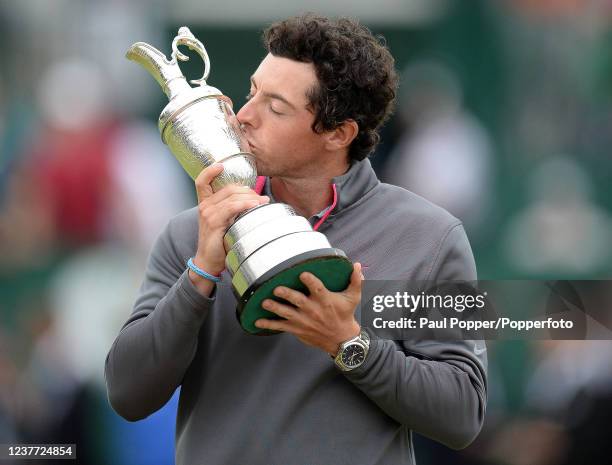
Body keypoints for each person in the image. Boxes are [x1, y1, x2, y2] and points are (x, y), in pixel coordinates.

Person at [105, 14, 487, 465]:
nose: (244, 116)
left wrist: (348, 343)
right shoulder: (192, 232)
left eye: (276, 107)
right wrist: (201, 273)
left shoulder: (431, 237)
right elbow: (128, 394)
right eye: (252, 92)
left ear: (338, 133)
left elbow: (463, 414)